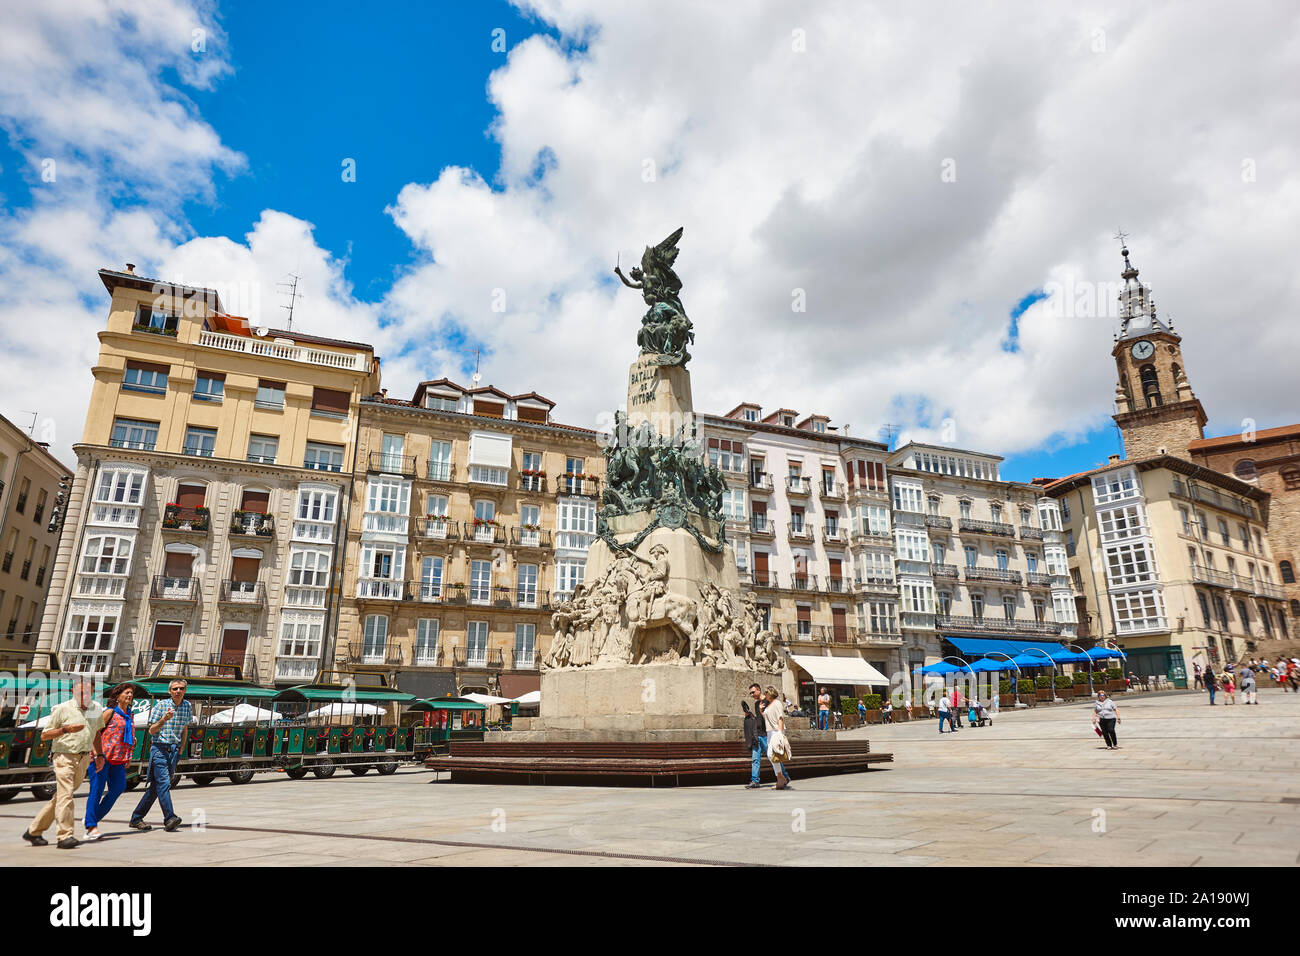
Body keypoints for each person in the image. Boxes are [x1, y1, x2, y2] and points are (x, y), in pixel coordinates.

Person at [23, 679, 105, 849]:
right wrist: (65, 730)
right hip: (64, 757)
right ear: (73, 692)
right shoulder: (62, 709)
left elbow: (96, 733)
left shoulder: (96, 709)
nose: (85, 696)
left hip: (83, 758)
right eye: (81, 692)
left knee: (61, 797)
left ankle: (34, 831)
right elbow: (45, 735)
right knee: (66, 796)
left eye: (89, 692)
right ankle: (65, 836)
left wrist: (100, 754)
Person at [129, 679, 195, 832]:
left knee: (155, 788)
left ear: (185, 690)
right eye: (174, 689)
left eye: (181, 688)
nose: (178, 691)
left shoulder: (187, 706)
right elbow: (151, 730)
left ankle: (136, 818)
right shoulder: (161, 706)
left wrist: (181, 749)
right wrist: (164, 719)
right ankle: (169, 817)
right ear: (169, 691)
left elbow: (185, 728)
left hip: (174, 750)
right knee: (164, 783)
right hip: (159, 749)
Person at [84, 685, 136, 841]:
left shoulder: (130, 714)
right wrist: (96, 753)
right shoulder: (109, 712)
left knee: (118, 788)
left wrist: (128, 756)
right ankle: (91, 825)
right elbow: (95, 731)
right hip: (102, 757)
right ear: (117, 695)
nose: (130, 695)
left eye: (131, 693)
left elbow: (129, 738)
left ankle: (92, 818)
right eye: (127, 692)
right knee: (97, 790)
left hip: (119, 759)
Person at [763, 686, 792, 790]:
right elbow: (768, 718)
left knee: (771, 754)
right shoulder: (769, 704)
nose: (764, 695)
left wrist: (780, 733)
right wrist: (762, 710)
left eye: (765, 693)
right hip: (770, 731)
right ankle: (780, 778)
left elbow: (780, 718)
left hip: (776, 731)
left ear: (769, 693)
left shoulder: (777, 703)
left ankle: (780, 778)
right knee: (771, 755)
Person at [742, 684, 769, 790]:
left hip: (766, 735)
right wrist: (749, 716)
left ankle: (784, 776)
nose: (752, 694)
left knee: (773, 758)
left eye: (753, 692)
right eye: (751, 693)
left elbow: (768, 717)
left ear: (759, 690)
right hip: (757, 735)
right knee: (755, 759)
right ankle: (754, 781)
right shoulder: (757, 703)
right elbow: (758, 719)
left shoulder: (766, 701)